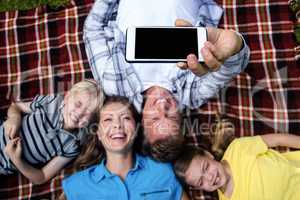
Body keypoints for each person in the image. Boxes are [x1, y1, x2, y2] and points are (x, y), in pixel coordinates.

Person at [84, 0, 250, 161]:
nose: (163, 106)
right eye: (171, 117)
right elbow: (229, 68)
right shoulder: (193, 93)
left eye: (155, 118)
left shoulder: (114, 86)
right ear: (181, 117)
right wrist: (235, 46)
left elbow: (93, 30)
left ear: (142, 120)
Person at [61, 96, 190, 200]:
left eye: (126, 118)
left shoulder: (163, 171)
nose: (117, 125)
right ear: (98, 133)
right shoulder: (77, 184)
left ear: (136, 129)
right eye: (108, 120)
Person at [0, 80, 104, 184]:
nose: (80, 113)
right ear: (67, 97)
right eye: (78, 104)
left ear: (92, 121)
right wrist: (14, 117)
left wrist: (17, 160)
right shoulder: (50, 103)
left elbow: (41, 177)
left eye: (88, 113)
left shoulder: (72, 146)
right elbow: (16, 106)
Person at [174, 130, 300, 200]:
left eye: (206, 167)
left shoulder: (238, 149)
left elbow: (279, 139)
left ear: (208, 155)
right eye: (201, 182)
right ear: (198, 188)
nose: (209, 177)